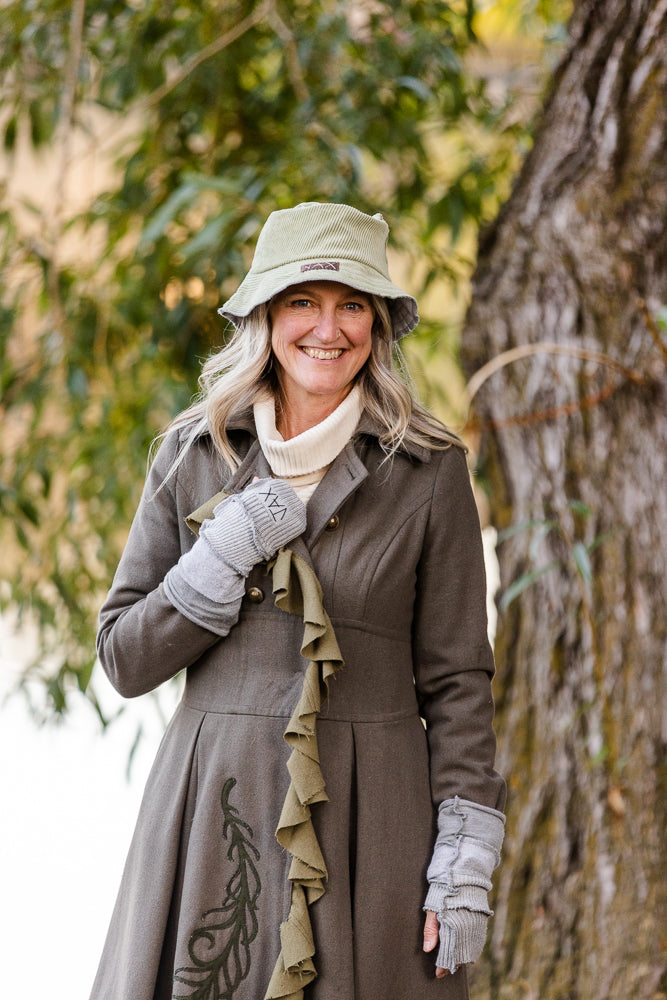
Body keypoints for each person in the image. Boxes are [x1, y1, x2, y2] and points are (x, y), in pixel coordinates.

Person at [90, 201, 506, 1000]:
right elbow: (125, 658)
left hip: (374, 820)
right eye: (302, 302)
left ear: (379, 326)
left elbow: (457, 684)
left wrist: (464, 859)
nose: (329, 328)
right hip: (216, 808)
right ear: (264, 318)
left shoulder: (428, 467)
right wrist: (221, 553)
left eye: (352, 304)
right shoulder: (192, 452)